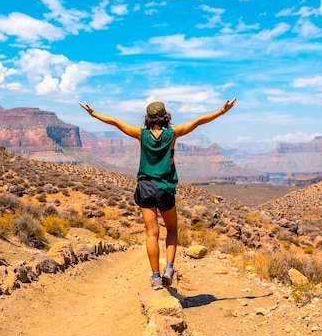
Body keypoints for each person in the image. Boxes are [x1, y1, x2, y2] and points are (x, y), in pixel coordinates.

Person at [79, 98, 237, 289]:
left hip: (145, 187)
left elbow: (115, 121)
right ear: (165, 117)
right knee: (171, 230)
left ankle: (155, 277)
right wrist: (222, 111)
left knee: (151, 233)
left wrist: (93, 114)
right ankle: (169, 269)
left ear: (148, 118)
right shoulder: (172, 134)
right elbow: (198, 121)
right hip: (164, 188)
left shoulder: (141, 134)